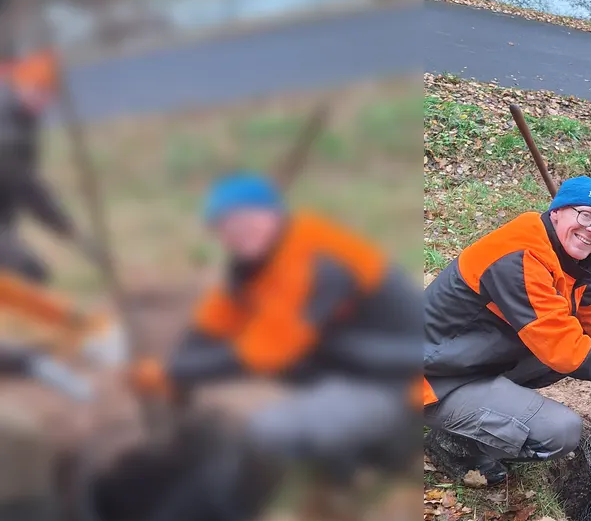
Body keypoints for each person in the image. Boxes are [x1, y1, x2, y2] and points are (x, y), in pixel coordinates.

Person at [142, 171, 423, 481]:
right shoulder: (257, 263)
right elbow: (213, 324)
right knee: (283, 380)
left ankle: (382, 451)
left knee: (265, 431)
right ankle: (343, 454)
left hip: (398, 382)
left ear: (274, 213)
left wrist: (174, 374)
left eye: (248, 220)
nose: (239, 232)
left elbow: (266, 352)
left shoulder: (316, 258)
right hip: (351, 366)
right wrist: (176, 368)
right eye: (227, 226)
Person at [421, 176, 591, 485]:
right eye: (586, 215)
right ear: (556, 212)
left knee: (559, 354)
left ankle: (475, 418)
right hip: (433, 375)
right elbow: (566, 352)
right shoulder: (519, 256)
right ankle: (453, 444)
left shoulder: (569, 262)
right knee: (560, 433)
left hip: (468, 361)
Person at [0, 49, 97, 283]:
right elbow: (27, 187)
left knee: (27, 275)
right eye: (37, 90)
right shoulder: (8, 127)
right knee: (27, 273)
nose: (42, 99)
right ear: (19, 85)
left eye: (47, 93)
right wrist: (67, 230)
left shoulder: (23, 121)